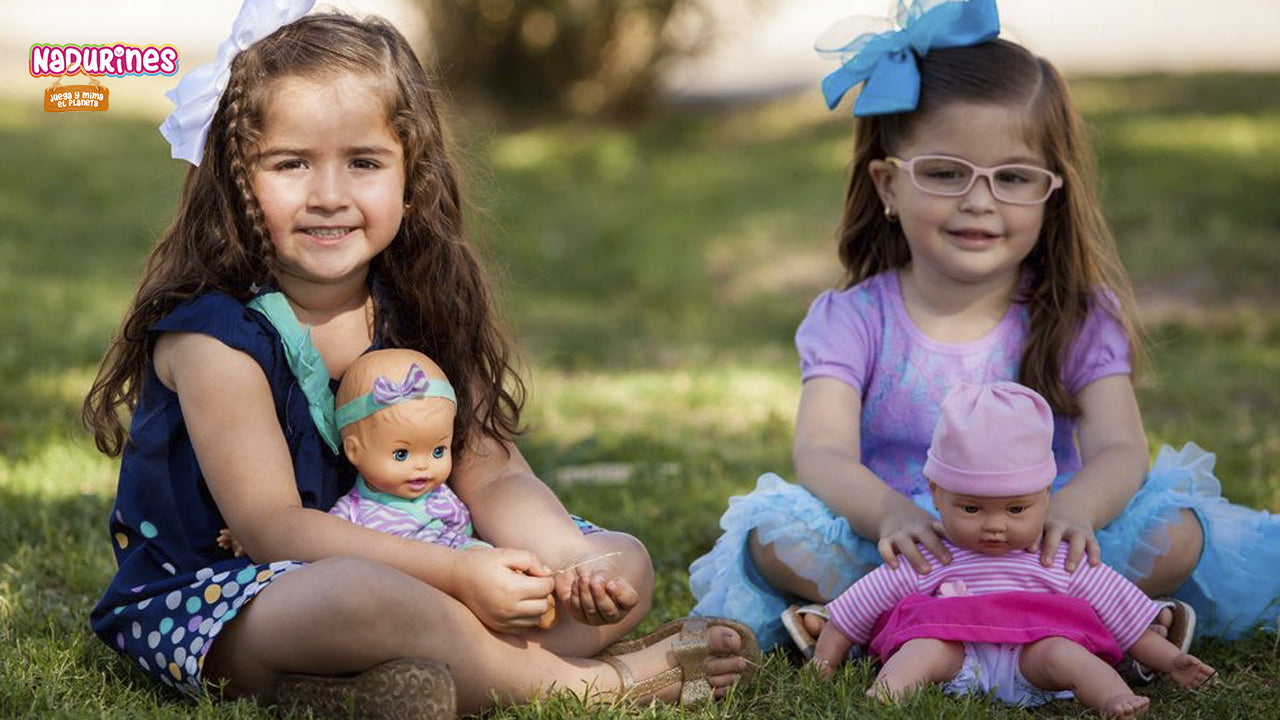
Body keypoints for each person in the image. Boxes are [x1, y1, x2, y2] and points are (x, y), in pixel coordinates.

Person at [82, 2, 757, 717]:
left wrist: (569, 561)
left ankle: (367, 690)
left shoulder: (419, 305)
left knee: (624, 564)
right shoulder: (216, 339)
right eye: (290, 164)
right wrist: (460, 575)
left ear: (411, 175)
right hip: (232, 599)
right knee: (362, 598)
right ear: (236, 177)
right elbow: (272, 528)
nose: (330, 196)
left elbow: (491, 472)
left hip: (431, 566)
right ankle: (596, 688)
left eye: (364, 162)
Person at [688, 0, 1280, 659]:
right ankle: (1071, 617)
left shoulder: (1075, 314)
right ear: (887, 184)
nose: (979, 201)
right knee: (772, 539)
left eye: (1013, 178)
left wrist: (1075, 510)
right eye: (944, 173)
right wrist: (888, 512)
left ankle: (914, 618)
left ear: (1051, 191)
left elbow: (1120, 448)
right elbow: (821, 452)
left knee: (1175, 534)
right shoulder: (854, 319)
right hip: (908, 539)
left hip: (1040, 538)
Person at [810, 382, 1215, 718]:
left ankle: (1115, 698)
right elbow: (859, 606)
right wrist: (826, 659)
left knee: (1067, 654)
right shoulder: (931, 552)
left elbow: (1121, 612)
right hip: (956, 656)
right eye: (971, 508)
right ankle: (884, 695)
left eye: (1017, 509)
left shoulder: (1056, 553)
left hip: (1034, 658)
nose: (995, 525)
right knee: (921, 650)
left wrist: (1168, 659)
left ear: (1046, 495)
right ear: (935, 494)